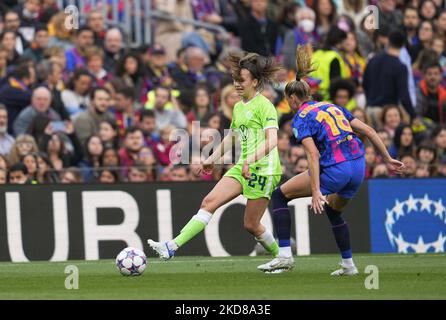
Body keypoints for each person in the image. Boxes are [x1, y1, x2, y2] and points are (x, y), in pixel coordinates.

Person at [258, 46, 405, 275]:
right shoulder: (332, 107)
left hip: (335, 170)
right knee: (334, 211)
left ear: (294, 98)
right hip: (358, 168)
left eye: (288, 100)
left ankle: (284, 255)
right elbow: (368, 130)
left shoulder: (301, 118)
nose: (289, 105)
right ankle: (348, 265)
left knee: (279, 196)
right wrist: (387, 158)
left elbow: (313, 155)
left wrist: (316, 190)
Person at [147, 51, 283, 267]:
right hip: (243, 167)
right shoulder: (238, 107)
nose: (237, 85)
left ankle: (282, 256)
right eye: (235, 80)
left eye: (242, 81)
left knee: (251, 224)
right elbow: (232, 137)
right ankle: (171, 247)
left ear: (255, 82)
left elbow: (272, 140)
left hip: (264, 169)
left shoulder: (264, 105)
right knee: (209, 202)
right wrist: (212, 158)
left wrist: (251, 160)